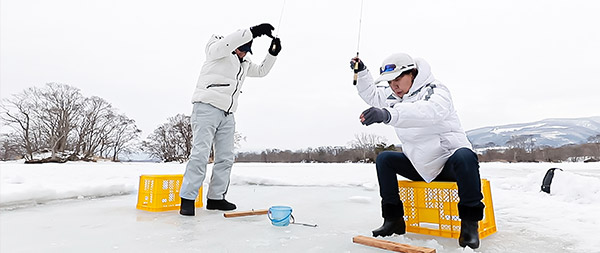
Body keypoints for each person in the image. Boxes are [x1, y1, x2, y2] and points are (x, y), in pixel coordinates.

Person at [350, 53, 484, 249]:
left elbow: (428, 111)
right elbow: (371, 94)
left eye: (397, 79)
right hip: (421, 165)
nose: (393, 86)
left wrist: (388, 114)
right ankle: (393, 220)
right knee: (385, 159)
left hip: (450, 164)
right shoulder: (393, 95)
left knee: (465, 155)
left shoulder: (436, 90)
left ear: (412, 73)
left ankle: (470, 225)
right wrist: (362, 73)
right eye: (389, 82)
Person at [179, 23, 282, 215]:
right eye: (242, 49)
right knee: (200, 154)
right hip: (207, 107)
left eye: (247, 51)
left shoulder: (244, 64)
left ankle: (216, 198)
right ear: (235, 44)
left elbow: (261, 71)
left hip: (227, 114)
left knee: (225, 157)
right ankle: (188, 199)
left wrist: (272, 54)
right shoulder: (217, 49)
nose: (243, 54)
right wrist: (254, 31)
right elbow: (227, 43)